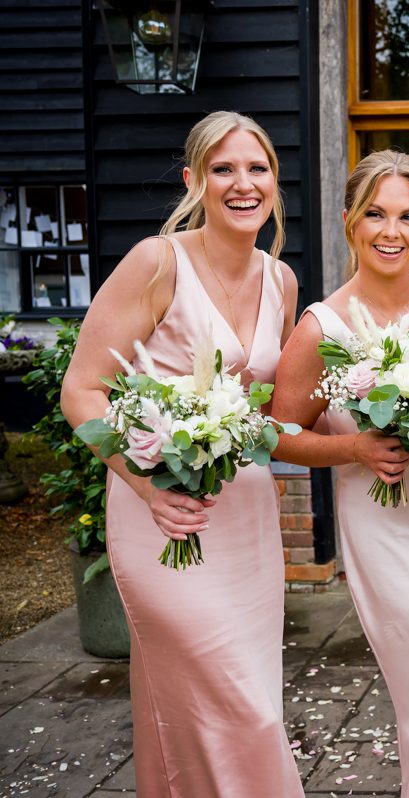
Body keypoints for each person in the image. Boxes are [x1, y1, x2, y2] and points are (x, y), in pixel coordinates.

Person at [60, 111, 303, 797]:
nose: (243, 183)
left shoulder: (279, 281)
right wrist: (146, 486)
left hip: (244, 519)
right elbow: (81, 391)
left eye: (257, 169)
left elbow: (258, 404)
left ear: (275, 183)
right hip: (158, 513)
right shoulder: (156, 263)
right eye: (224, 169)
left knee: (221, 698)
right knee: (236, 703)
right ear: (195, 179)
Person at [270, 150, 409, 797]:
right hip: (389, 530)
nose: (392, 231)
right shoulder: (321, 326)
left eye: (408, 217)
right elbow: (279, 432)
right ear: (351, 221)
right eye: (377, 215)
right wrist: (354, 447)